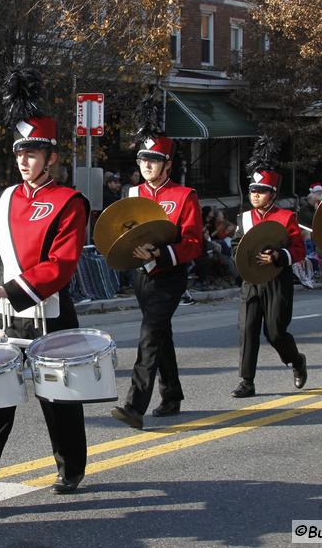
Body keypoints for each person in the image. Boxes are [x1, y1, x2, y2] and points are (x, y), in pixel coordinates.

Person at [0, 68, 90, 513]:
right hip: (5, 317)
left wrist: (11, 288)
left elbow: (62, 264)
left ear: (51, 156)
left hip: (48, 312)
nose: (25, 161)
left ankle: (70, 467)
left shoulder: (70, 201)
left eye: (33, 153)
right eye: (20, 153)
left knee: (59, 401)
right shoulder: (4, 197)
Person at [111, 88, 202, 429]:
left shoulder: (184, 196)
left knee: (150, 334)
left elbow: (194, 243)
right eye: (142, 159)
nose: (146, 164)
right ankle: (173, 394)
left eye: (153, 159)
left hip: (169, 275)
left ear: (167, 163)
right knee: (160, 334)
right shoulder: (131, 194)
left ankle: (135, 404)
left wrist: (161, 254)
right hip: (141, 276)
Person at [228, 136, 308, 399]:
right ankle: (246, 381)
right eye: (252, 191)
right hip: (251, 281)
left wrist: (277, 256)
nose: (255, 195)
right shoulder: (244, 218)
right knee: (247, 328)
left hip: (277, 280)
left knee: (275, 332)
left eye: (260, 191)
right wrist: (239, 259)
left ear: (272, 194)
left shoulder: (286, 218)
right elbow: (235, 246)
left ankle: (296, 360)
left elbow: (297, 250)